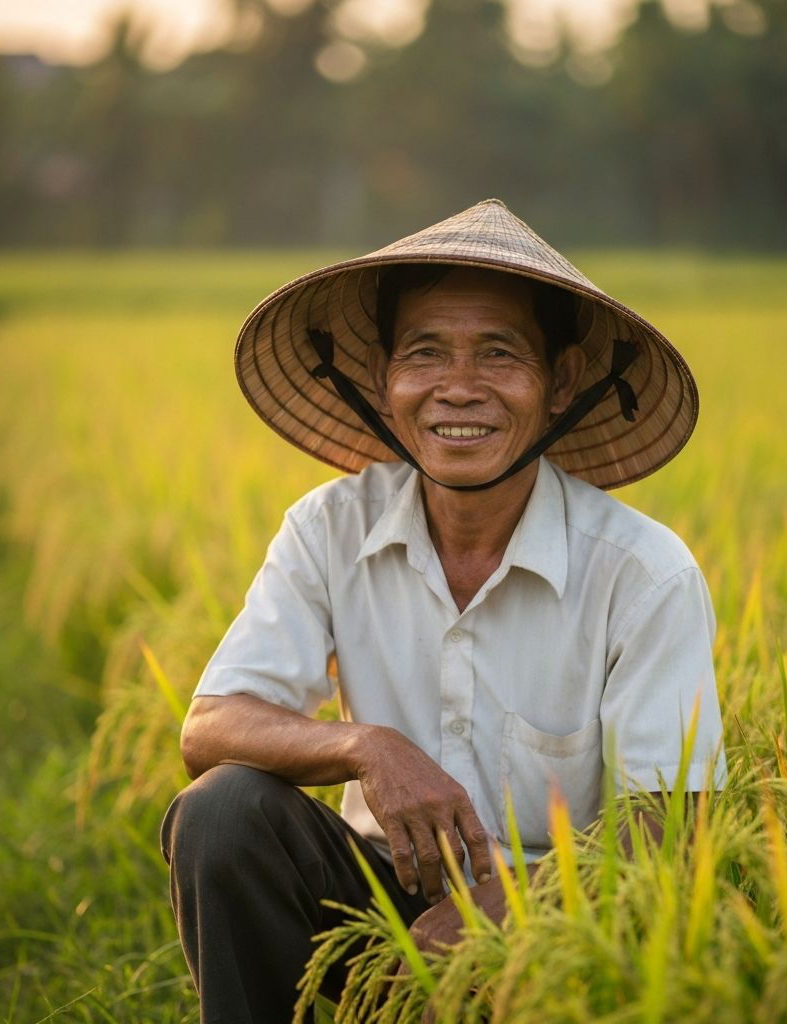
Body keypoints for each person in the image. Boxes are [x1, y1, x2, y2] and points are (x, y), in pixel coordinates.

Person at [161, 199, 726, 1023]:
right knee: (223, 811)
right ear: (385, 381)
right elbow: (208, 728)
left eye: (499, 354)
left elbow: (669, 824)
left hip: (565, 915)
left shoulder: (643, 572)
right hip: (371, 895)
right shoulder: (328, 526)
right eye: (425, 354)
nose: (458, 387)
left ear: (560, 381)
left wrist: (510, 907)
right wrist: (368, 746)